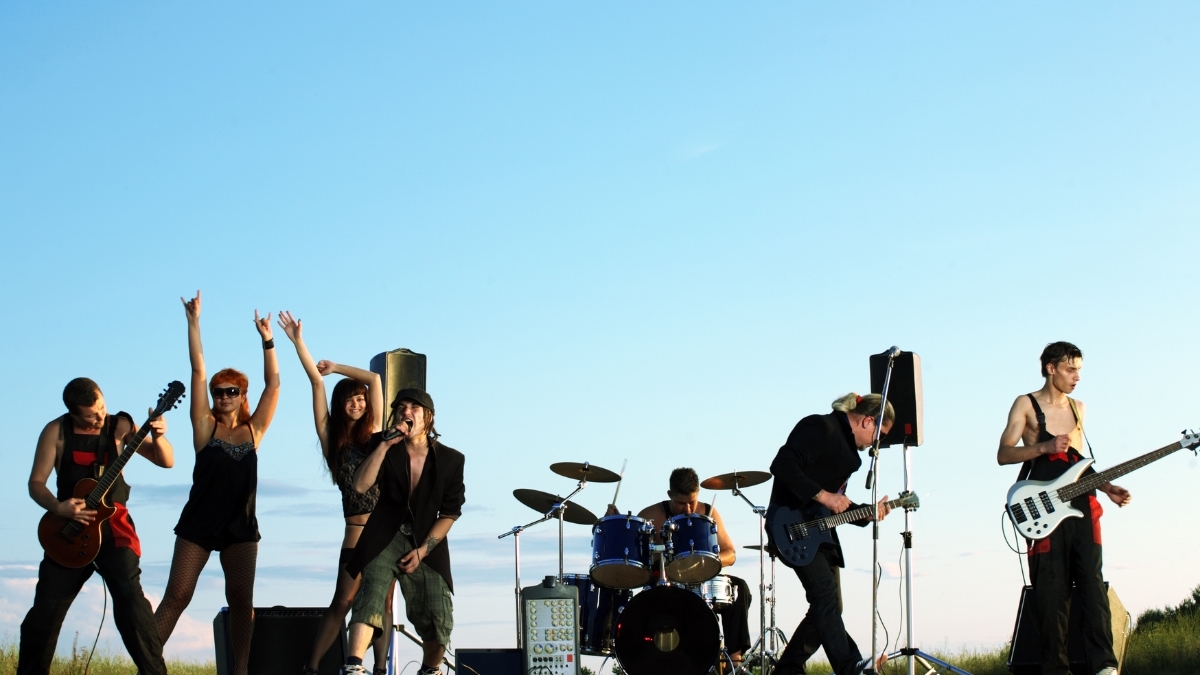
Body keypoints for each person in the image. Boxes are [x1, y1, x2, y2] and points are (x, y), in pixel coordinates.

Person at [155, 291, 280, 675]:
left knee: (242, 599)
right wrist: (194, 322)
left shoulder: (253, 430)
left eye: (232, 392)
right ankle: (148, 661)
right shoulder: (205, 428)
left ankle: (239, 670)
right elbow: (197, 371)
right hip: (198, 524)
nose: (223, 397)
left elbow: (273, 384)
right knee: (177, 596)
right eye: (219, 392)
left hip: (241, 528)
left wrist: (267, 340)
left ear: (242, 396)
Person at [19, 378, 175, 675]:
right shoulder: (56, 431)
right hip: (69, 531)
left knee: (131, 600)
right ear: (73, 413)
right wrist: (58, 506)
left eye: (102, 407)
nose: (100, 416)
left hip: (114, 527)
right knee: (45, 613)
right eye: (91, 414)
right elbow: (35, 484)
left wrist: (159, 437)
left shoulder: (120, 426)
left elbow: (165, 461)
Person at [997, 342, 1129, 675]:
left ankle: (1105, 667)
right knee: (1051, 592)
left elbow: (1081, 466)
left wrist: (1107, 487)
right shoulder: (1025, 404)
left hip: (1082, 506)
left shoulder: (1079, 408)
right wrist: (1043, 446)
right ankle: (1056, 669)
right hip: (1043, 507)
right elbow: (1003, 454)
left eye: (1080, 370)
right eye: (1071, 369)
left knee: (1092, 584)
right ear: (1051, 368)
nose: (1077, 377)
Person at [277, 311, 394, 675]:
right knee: (342, 602)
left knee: (384, 608)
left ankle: (378, 669)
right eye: (350, 399)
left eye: (361, 399)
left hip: (387, 533)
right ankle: (311, 668)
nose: (357, 403)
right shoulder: (333, 441)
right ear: (339, 405)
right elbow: (315, 384)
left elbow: (374, 379)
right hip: (356, 534)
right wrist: (299, 342)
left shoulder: (377, 434)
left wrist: (340, 367)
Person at [768, 392, 893, 675]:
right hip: (790, 526)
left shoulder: (851, 457)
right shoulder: (820, 427)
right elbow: (782, 465)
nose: (877, 444)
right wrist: (824, 496)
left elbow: (837, 505)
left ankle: (787, 670)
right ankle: (850, 667)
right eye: (880, 435)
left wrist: (868, 513)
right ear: (868, 421)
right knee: (825, 597)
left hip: (820, 534)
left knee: (828, 606)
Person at [343, 390, 465, 675]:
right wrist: (384, 446)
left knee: (438, 617)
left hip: (426, 541)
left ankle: (430, 669)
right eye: (400, 407)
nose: (405, 411)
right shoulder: (380, 444)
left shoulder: (451, 460)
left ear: (428, 417)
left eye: (414, 407)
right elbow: (360, 486)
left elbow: (449, 514)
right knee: (370, 596)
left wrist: (423, 551)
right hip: (385, 534)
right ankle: (353, 667)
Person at [606, 467, 752, 670]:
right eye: (681, 503)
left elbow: (731, 553)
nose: (688, 509)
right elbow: (635, 558)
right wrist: (616, 528)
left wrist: (705, 560)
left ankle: (734, 662)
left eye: (692, 502)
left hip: (701, 580)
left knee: (739, 588)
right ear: (670, 495)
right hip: (663, 584)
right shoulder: (651, 515)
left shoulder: (708, 513)